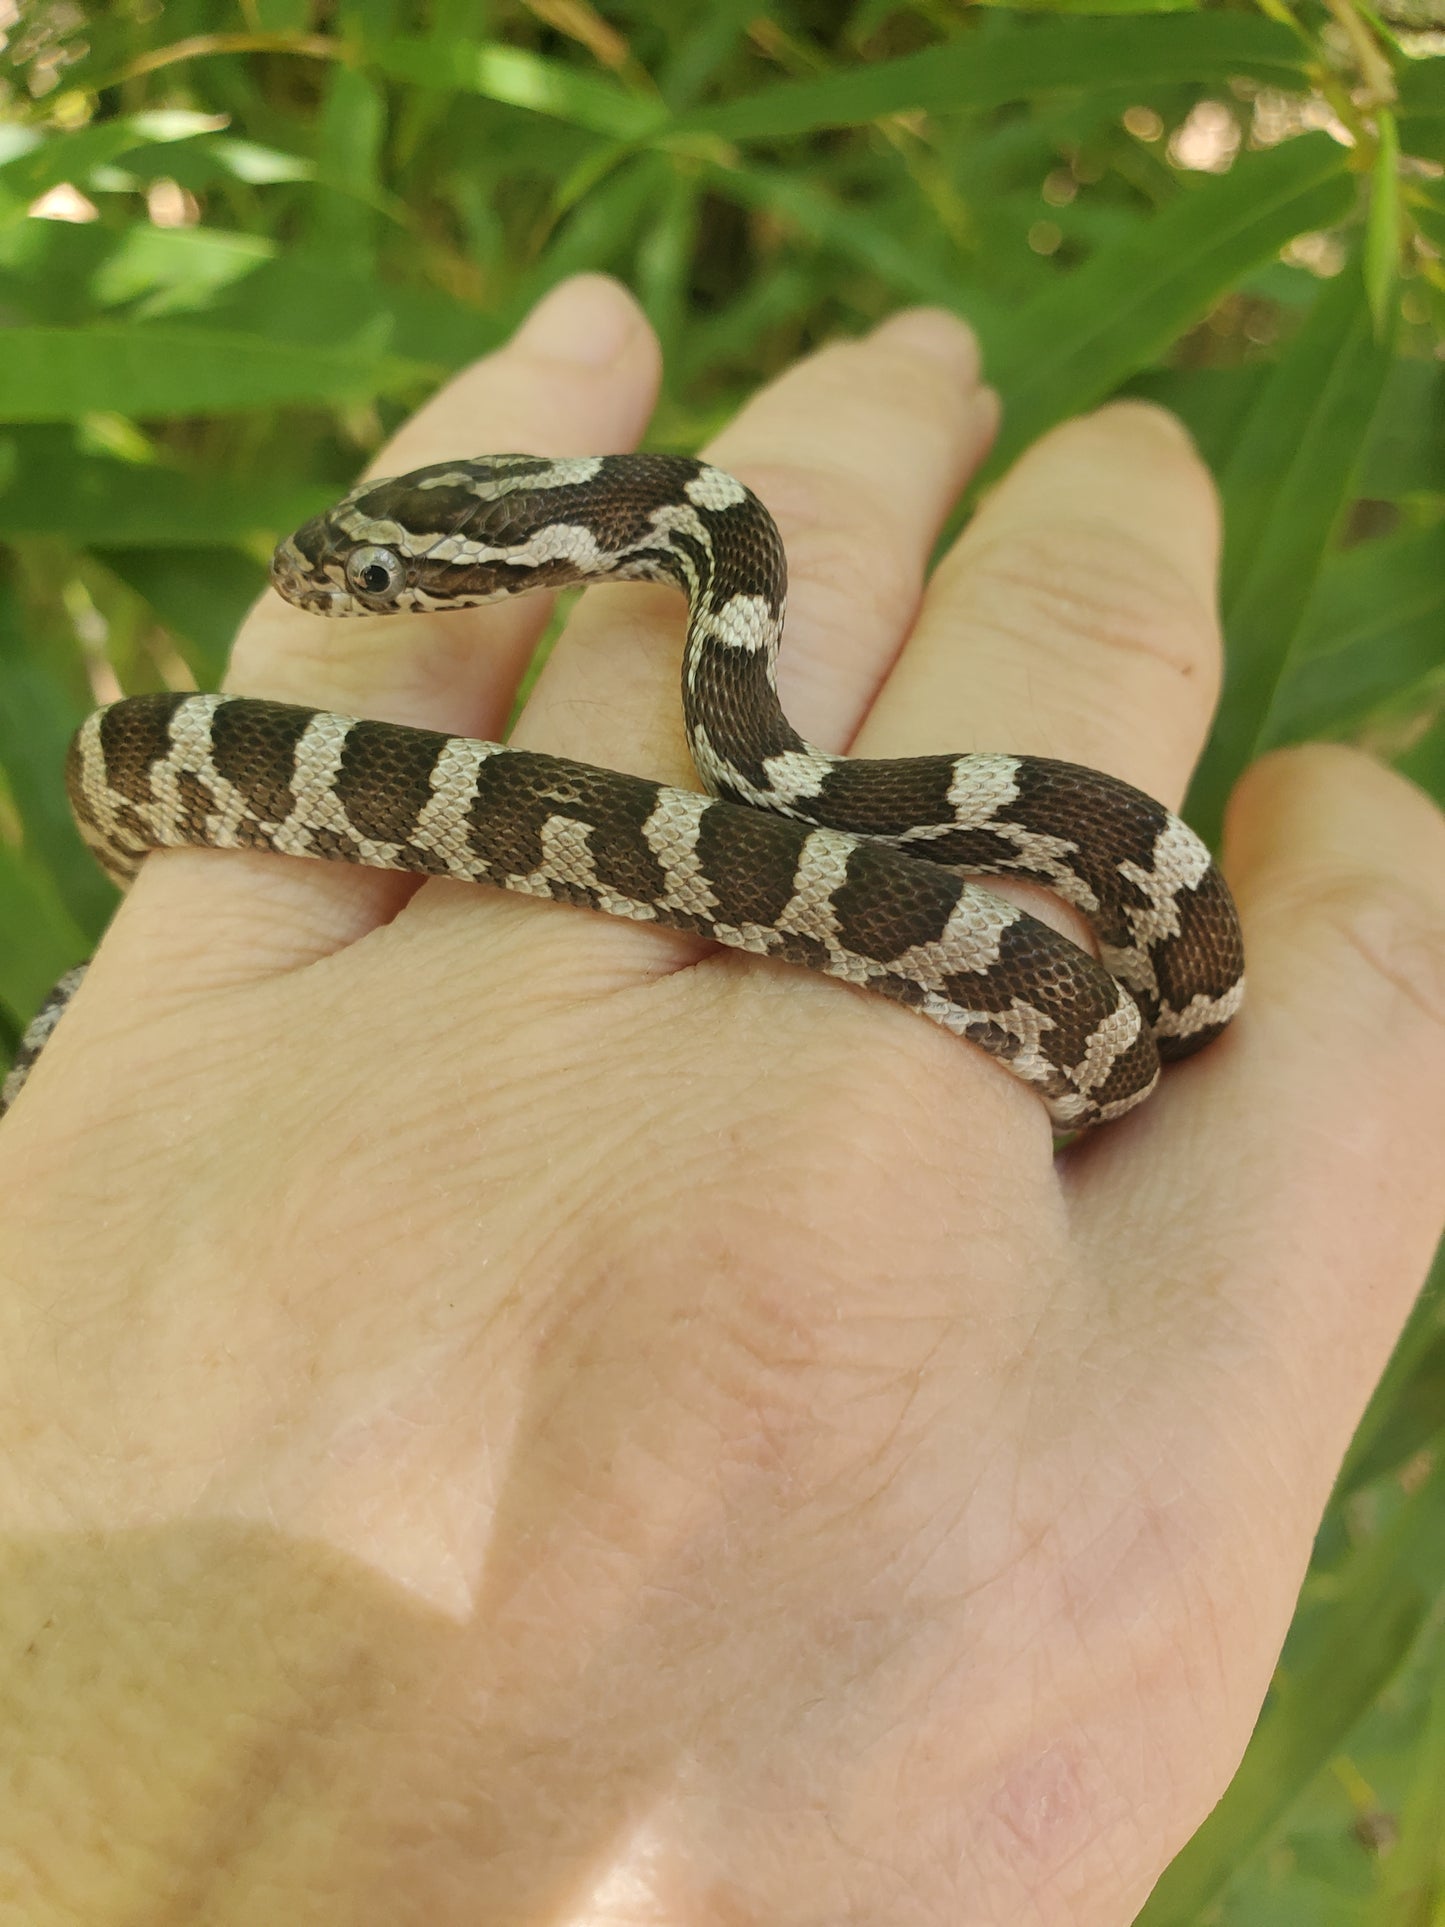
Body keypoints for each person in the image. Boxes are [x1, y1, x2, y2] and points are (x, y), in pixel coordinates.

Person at [1, 271, 1442, 1926]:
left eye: (391, 575)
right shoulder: (695, 613)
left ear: (560, 552)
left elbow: (796, 798)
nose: (352, 588)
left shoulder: (756, 714)